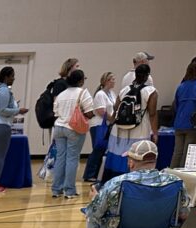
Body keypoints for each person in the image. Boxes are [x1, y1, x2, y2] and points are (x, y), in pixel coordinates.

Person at [81, 139, 186, 228]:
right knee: (146, 216)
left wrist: (94, 199)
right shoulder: (175, 182)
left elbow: (95, 212)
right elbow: (183, 213)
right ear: (154, 160)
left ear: (131, 162)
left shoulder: (117, 183)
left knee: (91, 214)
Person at [102, 63, 157, 182]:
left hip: (119, 131)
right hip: (139, 131)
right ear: (148, 76)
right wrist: (155, 132)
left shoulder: (124, 90)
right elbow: (152, 114)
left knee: (116, 159)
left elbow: (115, 110)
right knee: (137, 158)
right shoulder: (151, 91)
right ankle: (133, 184)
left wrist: (109, 125)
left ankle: (112, 184)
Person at [50, 69, 95, 199]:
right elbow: (89, 112)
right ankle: (69, 190)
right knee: (72, 158)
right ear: (81, 81)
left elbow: (56, 112)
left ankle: (56, 189)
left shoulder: (62, 94)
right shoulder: (83, 93)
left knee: (60, 157)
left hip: (59, 127)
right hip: (74, 128)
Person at [0, 67, 28, 194]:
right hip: (1, 126)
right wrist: (18, 110)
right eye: (12, 76)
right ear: (6, 77)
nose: (14, 78)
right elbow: (2, 110)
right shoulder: (4, 91)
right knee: (0, 157)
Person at [171, 57, 196, 168]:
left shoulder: (181, 86)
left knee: (177, 153)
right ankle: (182, 178)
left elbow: (175, 105)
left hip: (179, 123)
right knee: (187, 155)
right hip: (192, 124)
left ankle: (171, 175)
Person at [82, 72, 116, 182]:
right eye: (112, 79)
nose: (114, 81)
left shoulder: (112, 93)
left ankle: (97, 173)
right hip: (98, 125)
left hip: (107, 124)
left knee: (103, 150)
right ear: (106, 81)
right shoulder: (100, 94)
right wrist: (112, 119)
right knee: (98, 149)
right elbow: (101, 111)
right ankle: (89, 174)